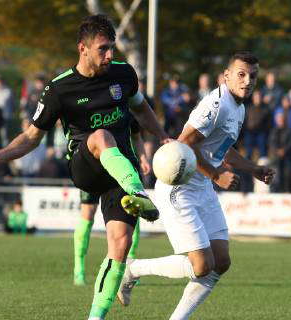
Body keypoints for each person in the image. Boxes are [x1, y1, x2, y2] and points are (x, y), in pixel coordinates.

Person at [0, 15, 169, 320]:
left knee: (120, 243)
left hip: (120, 170)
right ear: (83, 48)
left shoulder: (124, 74)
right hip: (85, 165)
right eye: (103, 49)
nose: (109, 55)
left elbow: (141, 108)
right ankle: (137, 192)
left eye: (112, 48)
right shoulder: (59, 89)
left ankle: (95, 316)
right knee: (102, 136)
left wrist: (163, 136)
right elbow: (31, 137)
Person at [117, 52, 275, 319]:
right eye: (241, 74)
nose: (247, 81)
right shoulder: (217, 105)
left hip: (201, 186)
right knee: (202, 265)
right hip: (180, 188)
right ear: (226, 76)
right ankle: (133, 269)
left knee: (221, 262)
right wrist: (216, 176)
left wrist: (255, 169)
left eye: (253, 76)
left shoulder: (239, 107)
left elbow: (223, 149)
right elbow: (183, 144)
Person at [73, 118, 151, 286]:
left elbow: (136, 136)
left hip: (121, 170)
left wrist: (143, 158)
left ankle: (128, 268)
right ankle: (79, 269)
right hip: (93, 167)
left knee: (131, 212)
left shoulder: (124, 106)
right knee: (87, 214)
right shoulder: (89, 107)